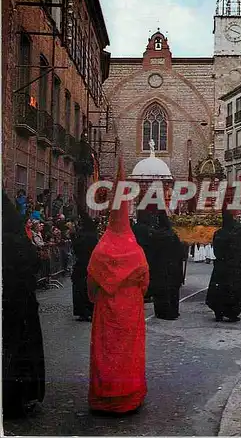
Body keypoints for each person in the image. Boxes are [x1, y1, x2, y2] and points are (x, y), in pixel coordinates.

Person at [87, 157, 149, 415]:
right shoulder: (135, 249)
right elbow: (145, 281)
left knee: (106, 350)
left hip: (106, 307)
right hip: (131, 306)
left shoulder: (102, 247)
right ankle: (128, 396)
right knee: (128, 352)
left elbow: (91, 282)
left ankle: (104, 396)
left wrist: (100, 295)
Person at [2, 190, 45, 417]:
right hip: (20, 307)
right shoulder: (18, 241)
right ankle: (18, 399)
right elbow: (33, 264)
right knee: (18, 353)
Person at [205, 210, 241, 322]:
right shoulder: (235, 234)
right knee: (231, 289)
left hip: (220, 265)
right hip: (231, 265)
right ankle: (231, 313)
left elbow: (215, 249)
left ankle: (218, 312)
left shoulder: (218, 233)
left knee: (219, 289)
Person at [150, 210, 184, 320]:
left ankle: (161, 312)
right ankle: (173, 311)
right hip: (173, 267)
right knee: (172, 290)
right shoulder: (172, 235)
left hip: (159, 268)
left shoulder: (155, 235)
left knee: (161, 290)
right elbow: (180, 253)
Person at [71, 212, 98, 321]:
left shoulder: (82, 236)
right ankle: (88, 310)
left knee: (80, 288)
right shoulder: (92, 236)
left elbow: (76, 248)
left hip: (82, 264)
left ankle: (83, 311)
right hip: (89, 264)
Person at [132, 209, 155, 303]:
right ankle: (147, 293)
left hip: (136, 254)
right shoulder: (149, 229)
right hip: (147, 254)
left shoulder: (134, 228)